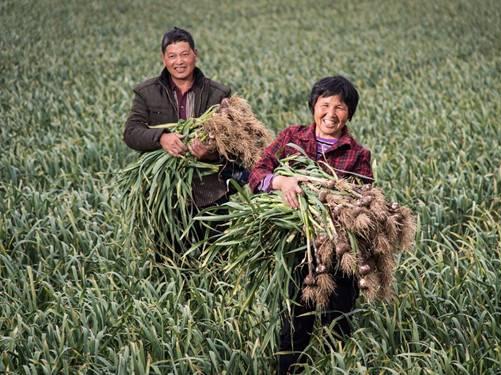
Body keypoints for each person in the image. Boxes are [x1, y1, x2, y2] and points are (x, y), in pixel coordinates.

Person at [248, 76, 374, 374]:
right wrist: (280, 180)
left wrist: (328, 202)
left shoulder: (358, 155)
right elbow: (257, 173)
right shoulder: (292, 137)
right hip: (296, 250)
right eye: (325, 105)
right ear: (313, 107)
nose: (331, 113)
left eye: (340, 107)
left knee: (338, 324)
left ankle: (337, 368)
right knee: (294, 326)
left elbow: (365, 204)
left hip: (338, 253)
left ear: (349, 114)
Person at [123, 27, 235, 250]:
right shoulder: (147, 92)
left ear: (195, 54)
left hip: (211, 195)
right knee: (170, 263)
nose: (179, 61)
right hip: (166, 197)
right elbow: (131, 132)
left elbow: (235, 141)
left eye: (185, 54)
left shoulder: (218, 93)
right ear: (163, 59)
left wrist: (211, 151)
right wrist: (161, 138)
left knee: (215, 261)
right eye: (172, 56)